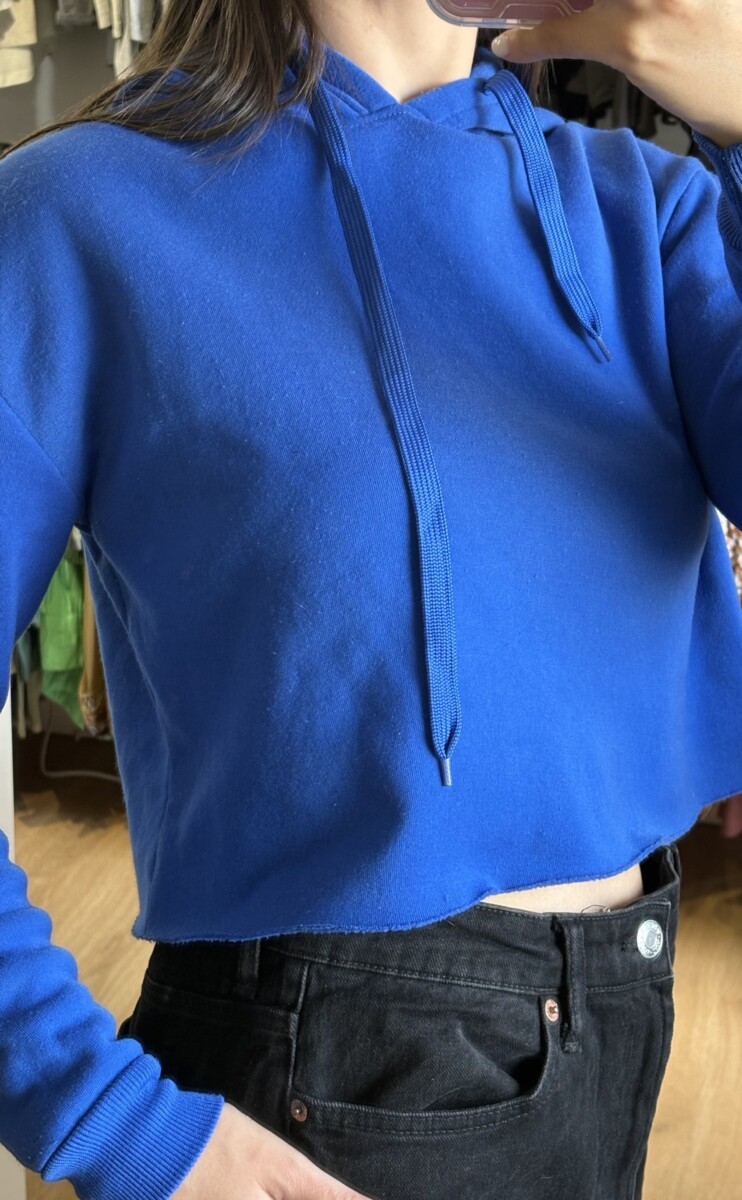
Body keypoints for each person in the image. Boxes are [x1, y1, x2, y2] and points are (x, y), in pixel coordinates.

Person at [0, 0, 740, 1196]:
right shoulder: (77, 210)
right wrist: (103, 1117)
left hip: (621, 1004)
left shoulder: (641, 207)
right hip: (320, 1073)